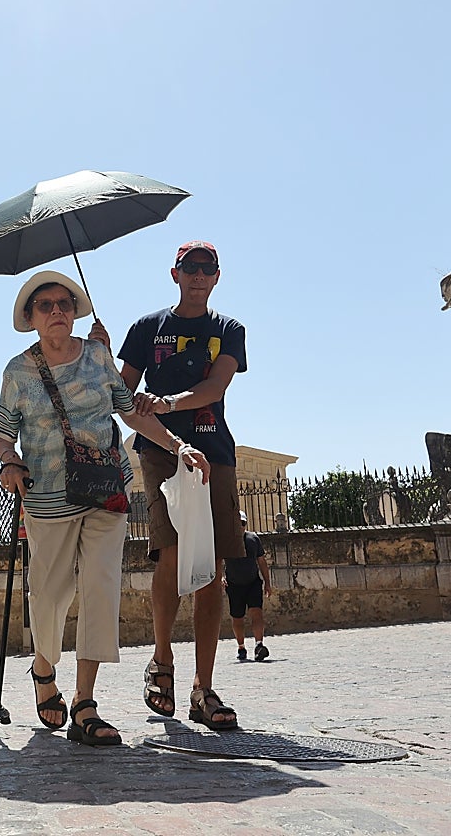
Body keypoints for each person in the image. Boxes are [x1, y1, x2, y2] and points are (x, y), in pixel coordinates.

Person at [0, 270, 210, 746]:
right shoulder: (18, 371)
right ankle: (44, 667)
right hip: (48, 497)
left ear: (75, 311)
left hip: (106, 489)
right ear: (31, 318)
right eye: (45, 305)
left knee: (101, 588)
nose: (57, 311)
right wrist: (10, 461)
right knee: (48, 594)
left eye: (65, 303)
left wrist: (177, 446)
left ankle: (84, 703)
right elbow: (1, 435)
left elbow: (129, 409)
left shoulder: (97, 355)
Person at [115, 240, 246, 731]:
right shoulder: (147, 329)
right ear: (174, 274)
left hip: (215, 453)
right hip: (160, 452)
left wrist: (165, 402)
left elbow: (215, 388)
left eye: (206, 268)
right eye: (189, 268)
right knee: (172, 556)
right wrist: (106, 358)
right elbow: (121, 396)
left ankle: (203, 687)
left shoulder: (228, 330)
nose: (197, 275)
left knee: (211, 567)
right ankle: (162, 660)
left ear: (217, 277)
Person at [225, 511, 272, 661]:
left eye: (243, 523)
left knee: (256, 612)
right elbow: (217, 560)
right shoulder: (225, 541)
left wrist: (267, 583)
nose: (240, 526)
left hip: (253, 582)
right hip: (233, 584)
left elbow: (262, 561)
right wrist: (220, 577)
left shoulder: (253, 539)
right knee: (237, 618)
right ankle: (241, 646)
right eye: (238, 523)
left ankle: (259, 645)